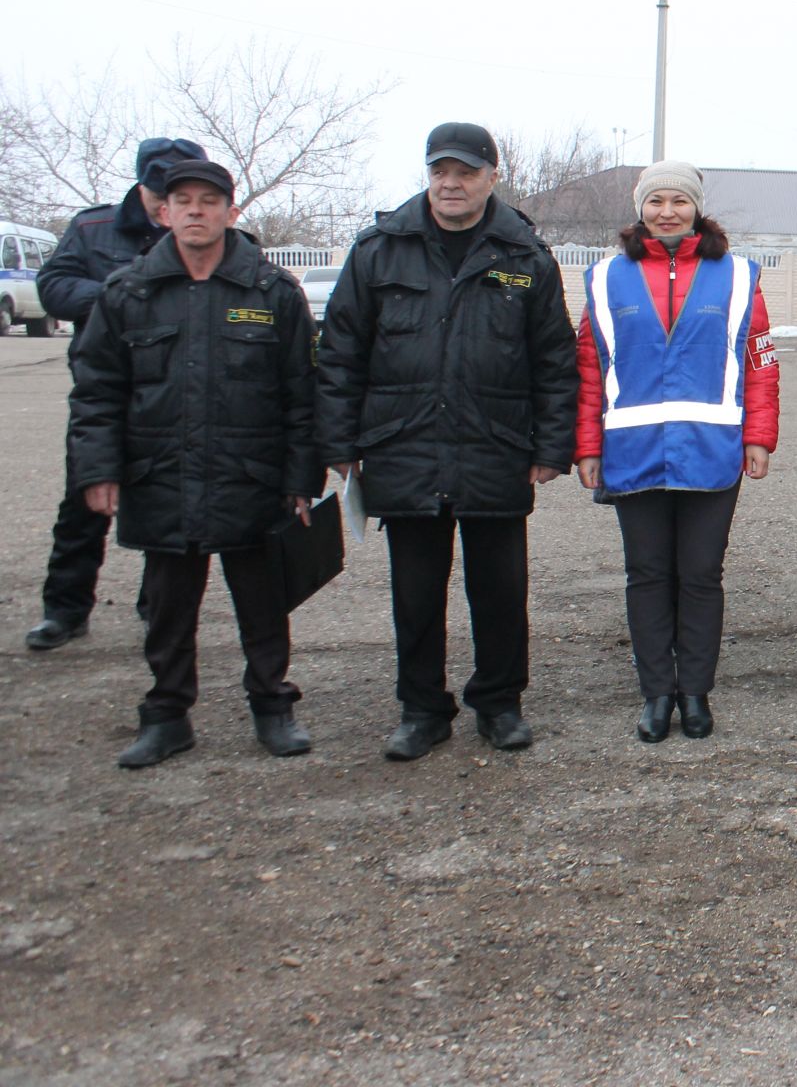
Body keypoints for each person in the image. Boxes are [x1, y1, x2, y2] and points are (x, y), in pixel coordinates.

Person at [315, 123, 577, 760]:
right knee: (415, 592)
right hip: (403, 444)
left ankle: (499, 703)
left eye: (465, 172)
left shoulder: (524, 258)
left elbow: (554, 359)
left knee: (499, 589)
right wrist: (338, 442)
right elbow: (341, 352)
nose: (450, 184)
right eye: (440, 172)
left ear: (492, 177)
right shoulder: (379, 250)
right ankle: (421, 709)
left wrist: (550, 448)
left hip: (495, 445)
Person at [65, 161, 322, 768]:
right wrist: (97, 469)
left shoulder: (271, 293)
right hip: (163, 477)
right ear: (163, 213)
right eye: (183, 200)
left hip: (251, 478)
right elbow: (96, 390)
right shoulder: (129, 293)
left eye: (210, 200)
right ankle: (167, 715)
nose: (196, 211)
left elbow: (301, 394)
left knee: (263, 605)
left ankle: (272, 707)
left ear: (232, 213)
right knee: (167, 608)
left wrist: (299, 480)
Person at [576, 162, 779, 740]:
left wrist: (759, 436)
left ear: (697, 207)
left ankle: (694, 692)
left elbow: (759, 364)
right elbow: (590, 368)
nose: (668, 211)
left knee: (699, 575)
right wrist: (586, 446)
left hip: (712, 452)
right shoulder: (605, 278)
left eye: (679, 201)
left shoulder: (737, 276)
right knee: (646, 575)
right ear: (640, 207)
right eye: (656, 200)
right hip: (631, 452)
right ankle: (655, 693)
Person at [25, 137, 207, 651]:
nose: (163, 202)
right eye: (156, 190)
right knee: (82, 503)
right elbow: (53, 287)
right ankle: (65, 608)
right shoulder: (92, 228)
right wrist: (119, 295)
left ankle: (159, 607)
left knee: (170, 504)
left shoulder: (202, 228)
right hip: (106, 389)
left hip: (176, 392)